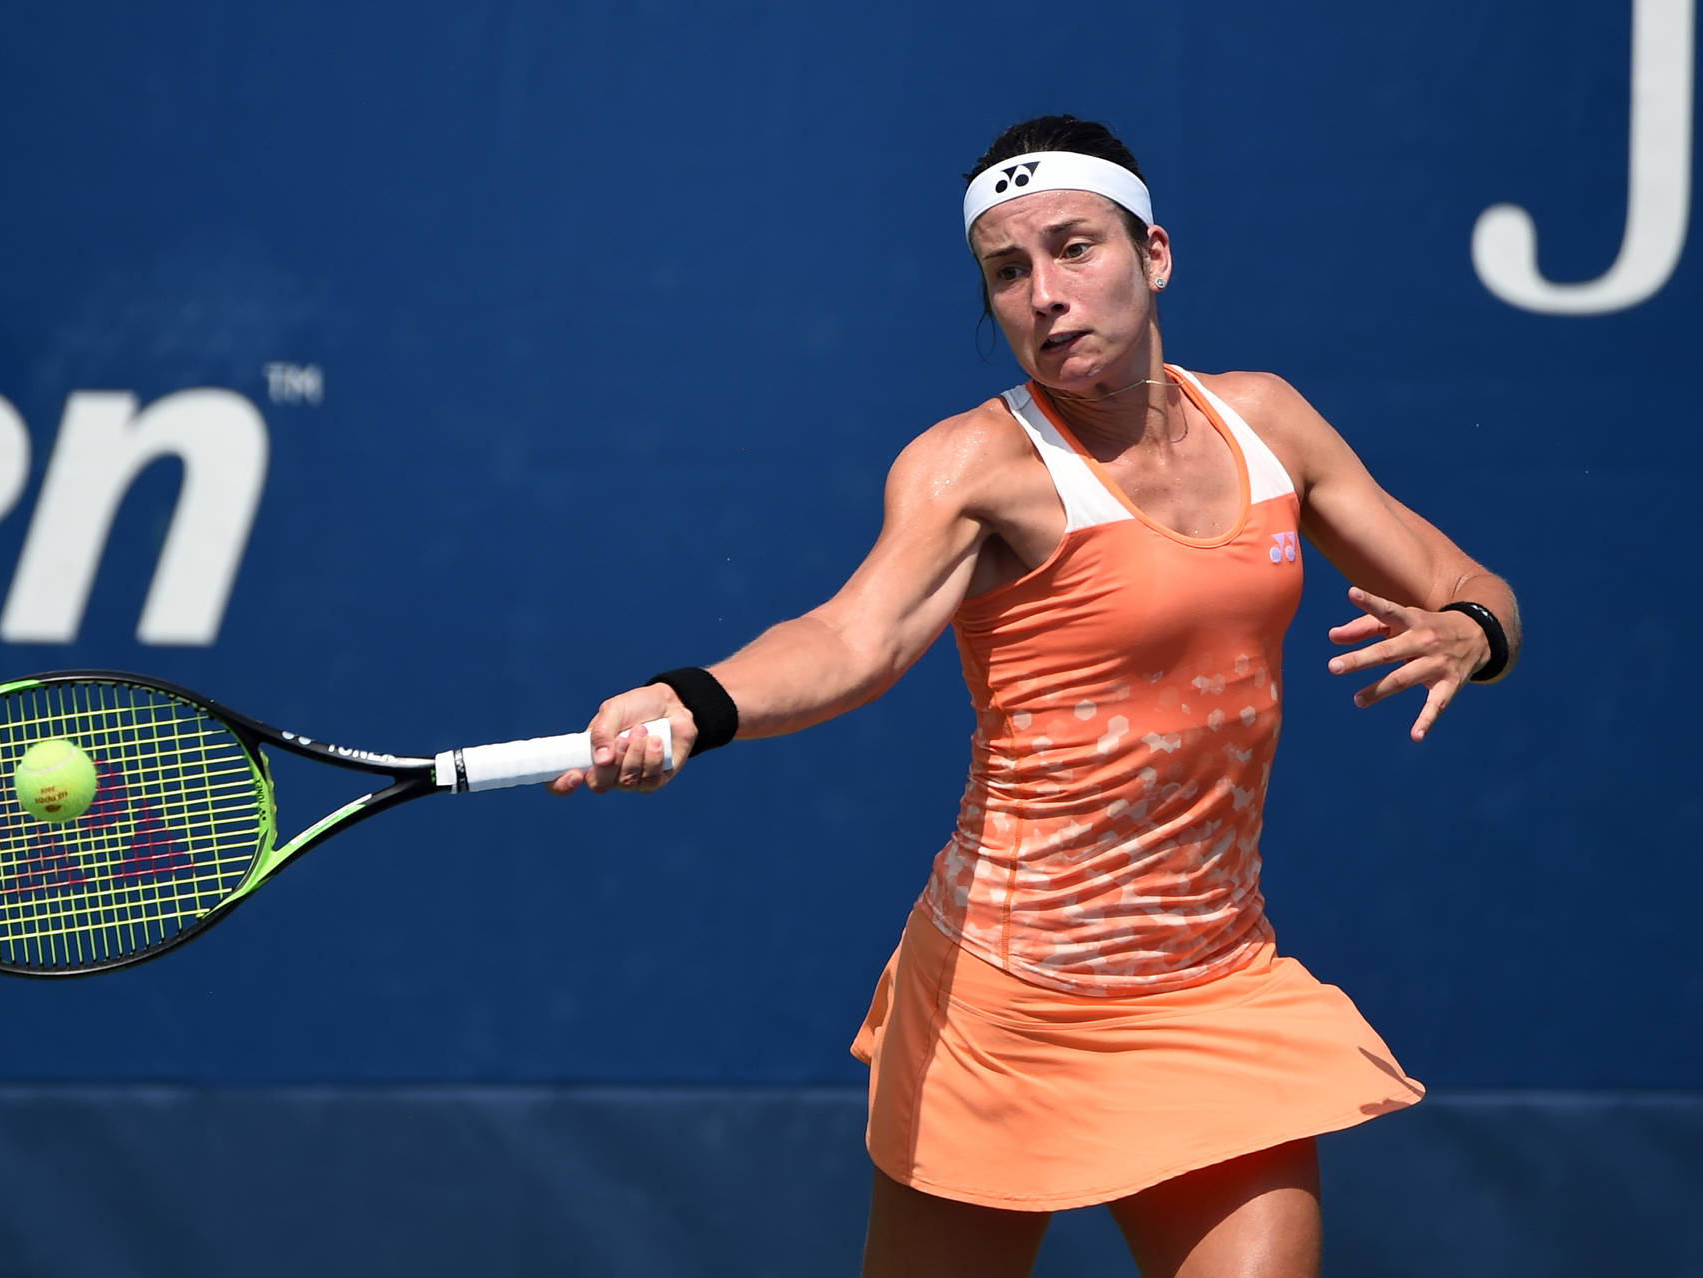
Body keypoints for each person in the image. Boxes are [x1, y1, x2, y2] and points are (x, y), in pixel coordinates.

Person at [549, 114, 1522, 1278]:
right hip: (1004, 1012)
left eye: (1075, 249)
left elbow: (1477, 589)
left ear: (1153, 255)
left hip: (1212, 987)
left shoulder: (1268, 423)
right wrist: (693, 702)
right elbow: (850, 641)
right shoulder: (976, 468)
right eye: (1007, 272)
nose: (1044, 295)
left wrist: (1468, 634)